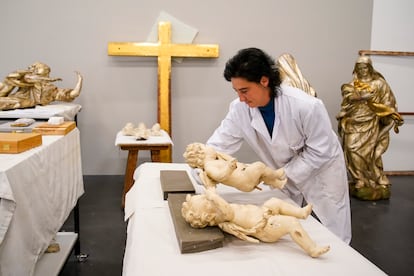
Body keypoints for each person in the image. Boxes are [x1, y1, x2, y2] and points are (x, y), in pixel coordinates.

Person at [205, 48, 351, 243]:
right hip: (282, 172)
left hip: (322, 170)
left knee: (333, 227)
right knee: (284, 224)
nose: (240, 98)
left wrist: (279, 175)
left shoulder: (306, 106)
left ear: (264, 81)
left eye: (245, 90)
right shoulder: (239, 109)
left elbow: (320, 151)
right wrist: (204, 165)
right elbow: (219, 144)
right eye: (236, 91)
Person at [181, 189, 330, 258]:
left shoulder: (219, 212)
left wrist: (211, 194)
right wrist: (212, 195)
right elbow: (226, 208)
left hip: (263, 212)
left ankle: (301, 212)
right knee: (291, 223)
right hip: (265, 227)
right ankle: (312, 249)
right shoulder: (223, 216)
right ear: (207, 216)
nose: (209, 199)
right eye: (206, 202)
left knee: (274, 202)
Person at [337, 56, 403, 200]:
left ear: (370, 68)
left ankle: (372, 179)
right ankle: (359, 178)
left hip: (372, 123)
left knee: (370, 153)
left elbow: (388, 102)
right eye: (359, 68)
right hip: (354, 122)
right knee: (351, 149)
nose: (362, 71)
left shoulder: (380, 84)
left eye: (365, 67)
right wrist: (360, 97)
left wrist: (388, 113)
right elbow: (347, 100)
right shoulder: (353, 84)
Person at [183, 142, 287, 192]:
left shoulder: (217, 160)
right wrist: (229, 168)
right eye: (205, 146)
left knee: (261, 173)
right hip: (244, 180)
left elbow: (231, 159)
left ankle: (277, 183)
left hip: (245, 174)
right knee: (259, 166)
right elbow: (220, 176)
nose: (209, 146)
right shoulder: (209, 167)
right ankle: (276, 174)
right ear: (201, 155)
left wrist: (221, 155)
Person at [0, 62, 83, 110]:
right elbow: (15, 78)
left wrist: (80, 81)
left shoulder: (50, 89)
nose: (32, 69)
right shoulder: (26, 79)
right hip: (13, 98)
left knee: (16, 103)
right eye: (32, 68)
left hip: (21, 102)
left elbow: (72, 94)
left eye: (35, 68)